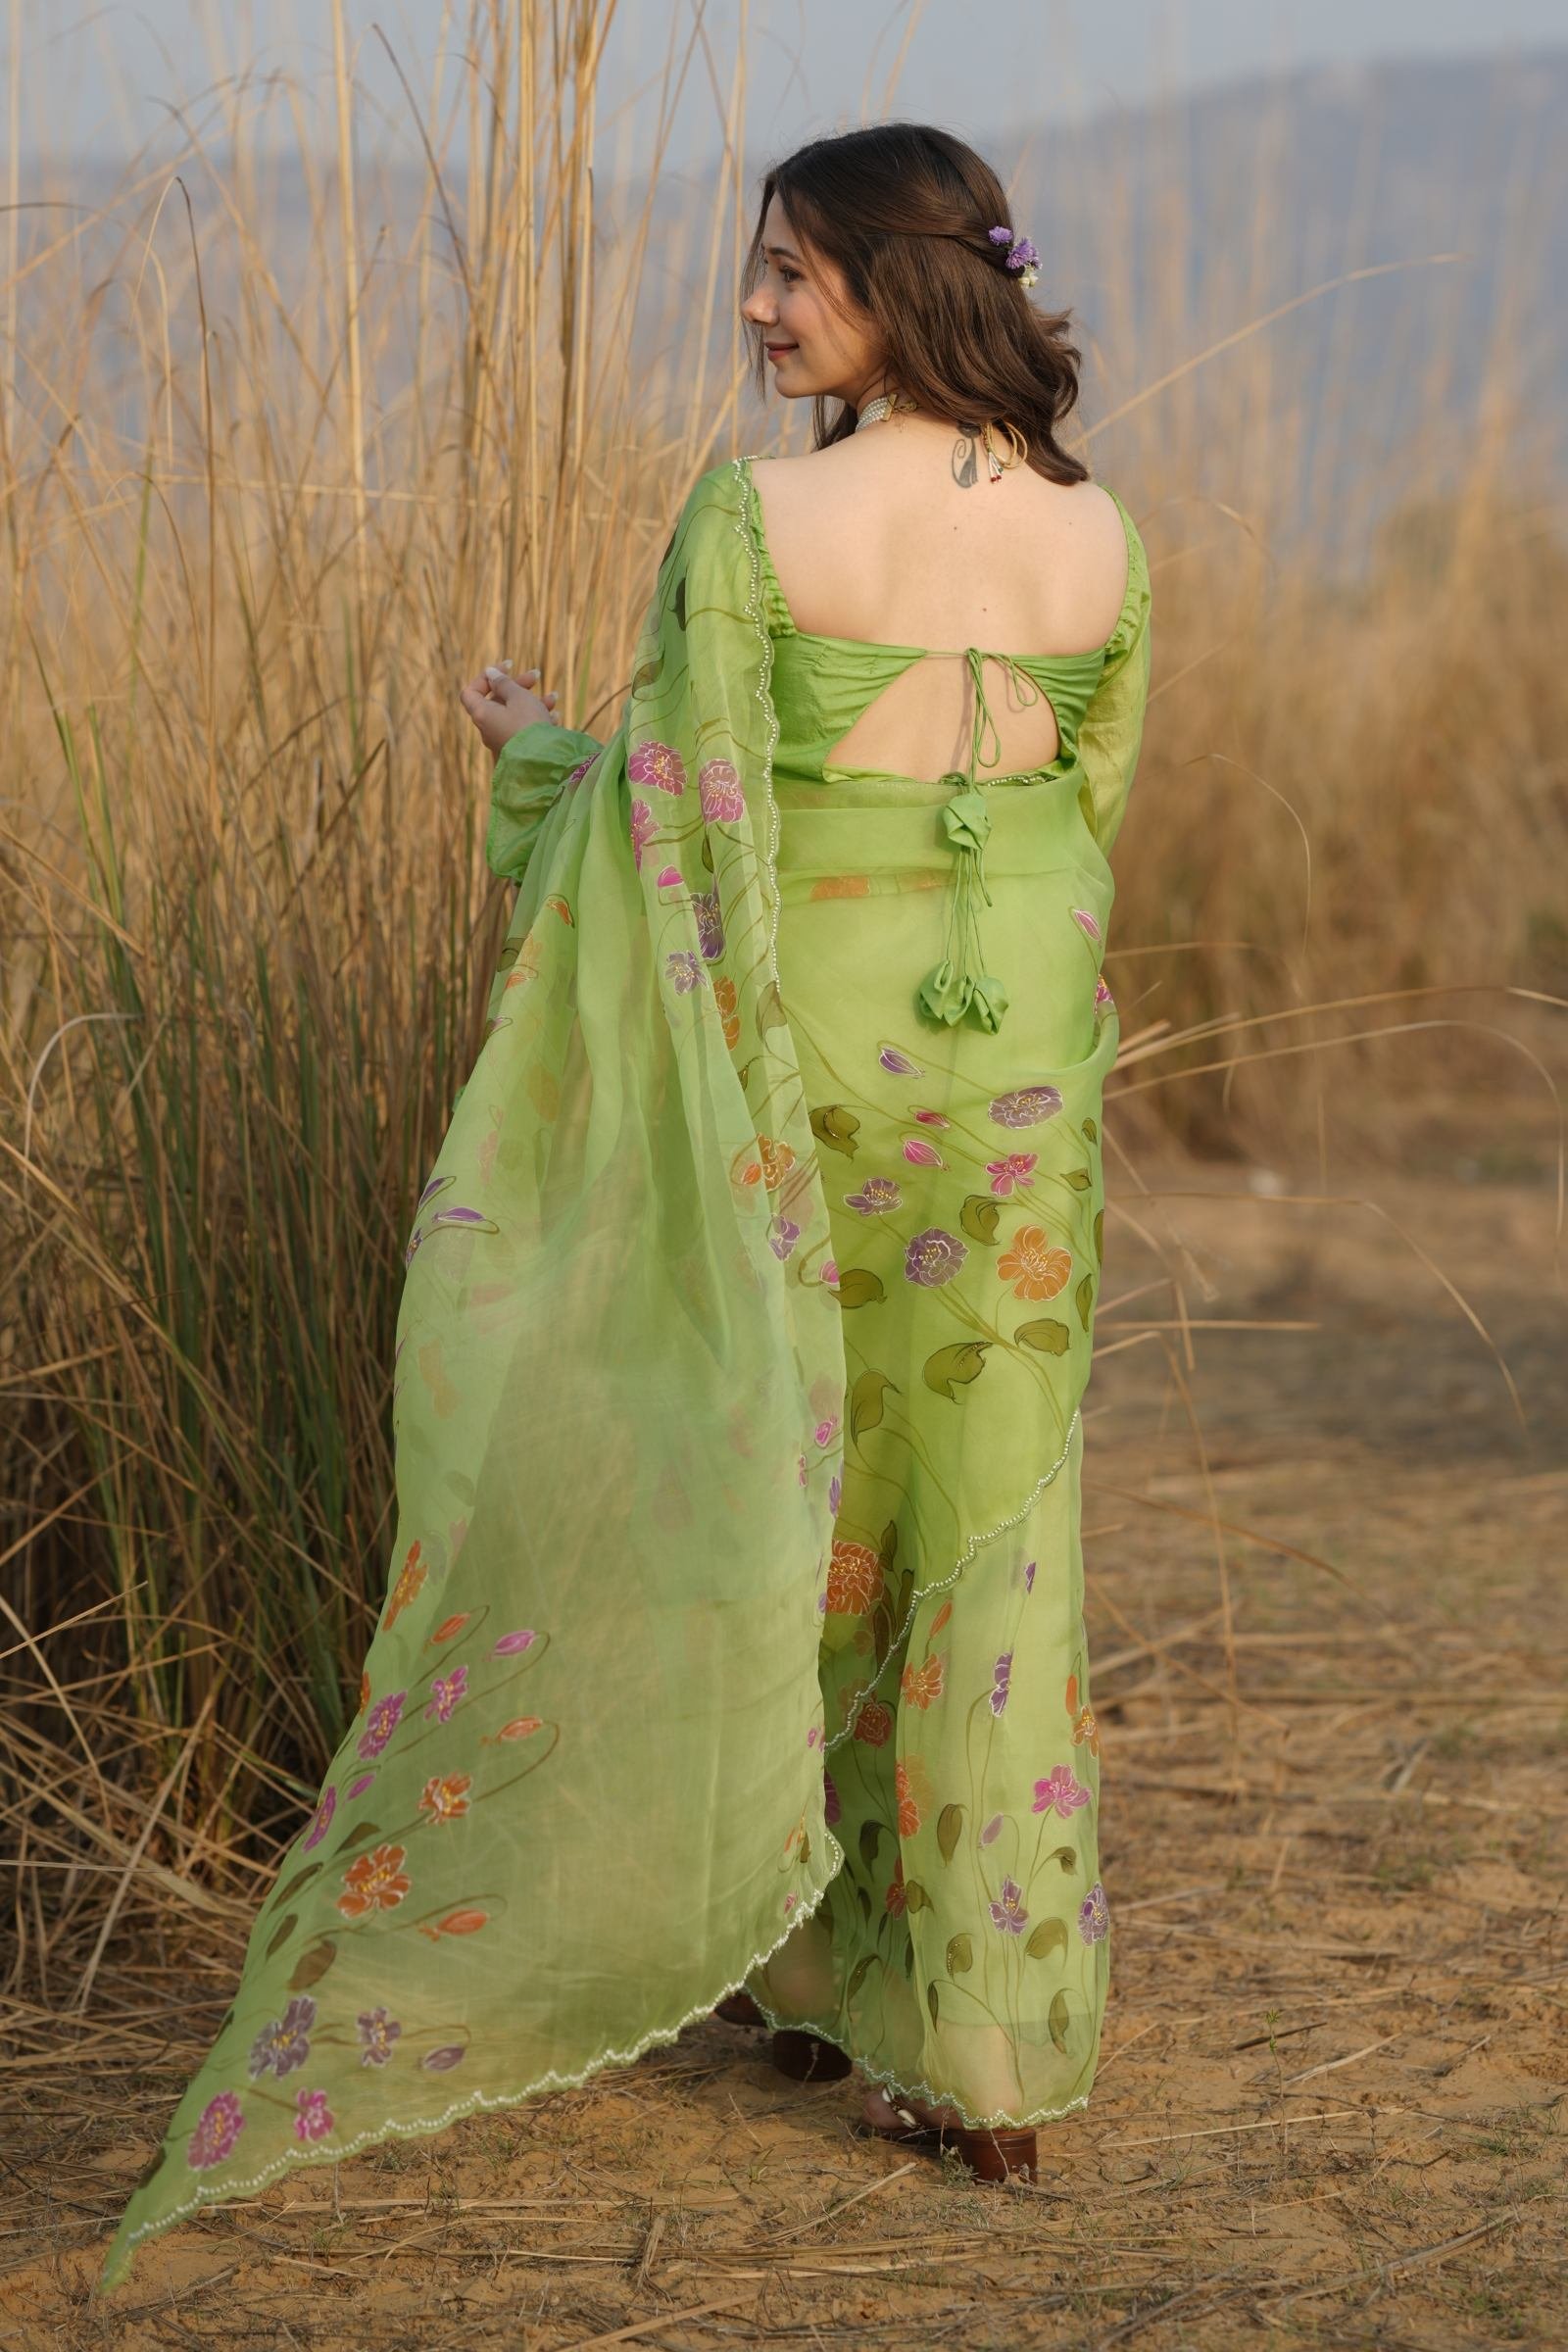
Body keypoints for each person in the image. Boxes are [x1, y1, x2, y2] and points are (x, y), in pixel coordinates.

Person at [100, 121, 1151, 2292]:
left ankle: (795, 1952)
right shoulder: (1100, 536)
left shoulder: (759, 519)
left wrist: (529, 755)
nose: (755, 310)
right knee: (988, 1517)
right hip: (1018, 1089)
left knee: (787, 1480)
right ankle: (979, 2041)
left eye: (790, 272)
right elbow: (1088, 817)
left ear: (897, 282)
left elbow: (680, 835)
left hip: (815, 1069)